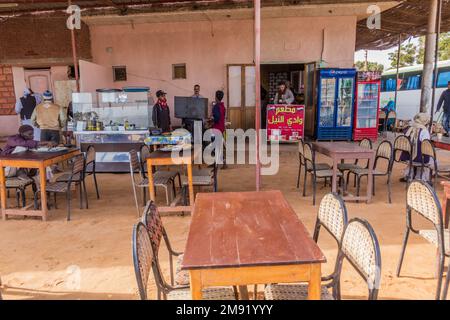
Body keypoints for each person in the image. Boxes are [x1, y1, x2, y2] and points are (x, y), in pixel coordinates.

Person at [399, 113, 431, 182]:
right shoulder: (424, 131)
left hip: (407, 156)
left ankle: (408, 175)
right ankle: (421, 178)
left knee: (418, 154)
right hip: (418, 158)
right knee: (432, 159)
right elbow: (426, 145)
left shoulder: (409, 128)